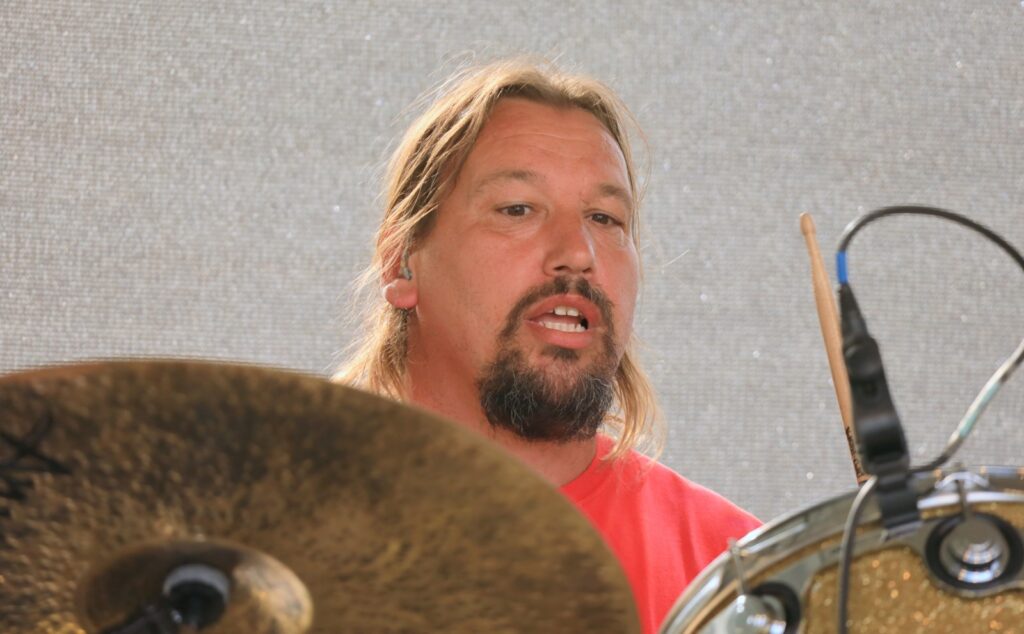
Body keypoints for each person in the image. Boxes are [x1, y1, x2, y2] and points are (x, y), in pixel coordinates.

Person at [335, 58, 760, 633]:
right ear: (401, 263)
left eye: (605, 218)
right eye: (518, 209)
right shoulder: (264, 532)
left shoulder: (741, 584)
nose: (578, 251)